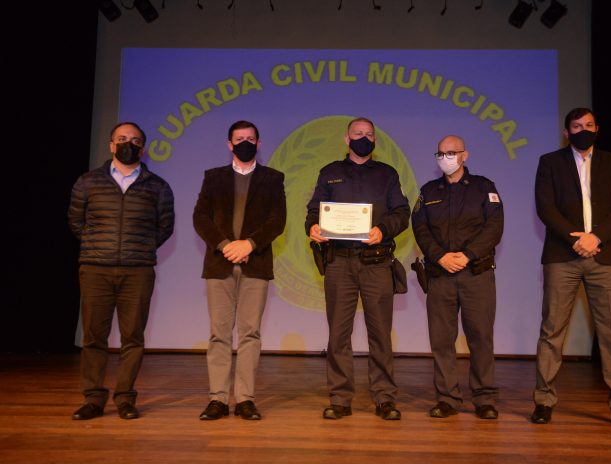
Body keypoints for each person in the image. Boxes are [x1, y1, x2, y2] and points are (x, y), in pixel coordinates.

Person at [531, 107, 611, 428]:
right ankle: (543, 401)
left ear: (597, 128)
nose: (583, 130)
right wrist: (574, 238)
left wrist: (596, 237)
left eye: (589, 125)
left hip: (604, 257)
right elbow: (545, 207)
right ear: (567, 132)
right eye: (577, 126)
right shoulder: (550, 162)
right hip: (562, 256)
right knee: (552, 331)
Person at [67, 122, 175, 420]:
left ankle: (125, 398)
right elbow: (76, 222)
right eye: (122, 139)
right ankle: (93, 398)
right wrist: (97, 245)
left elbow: (165, 226)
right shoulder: (88, 182)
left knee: (133, 337)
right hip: (95, 269)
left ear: (143, 148)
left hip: (138, 271)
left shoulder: (158, 186)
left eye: (136, 140)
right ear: (111, 145)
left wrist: (139, 248)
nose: (129, 144)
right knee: (94, 337)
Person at [305, 117, 410, 420]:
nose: (363, 138)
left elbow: (401, 213)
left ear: (375, 140)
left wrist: (383, 230)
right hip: (338, 262)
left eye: (369, 134)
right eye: (357, 133)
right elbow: (314, 211)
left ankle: (385, 398)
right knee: (338, 334)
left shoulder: (387, 175)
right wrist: (312, 226)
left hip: (376, 262)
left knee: (380, 333)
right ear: (346, 139)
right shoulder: (330, 173)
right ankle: (340, 398)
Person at [193, 120, 286, 421]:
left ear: (258, 144)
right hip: (219, 264)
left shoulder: (273, 178)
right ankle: (218, 399)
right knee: (219, 334)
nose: (244, 142)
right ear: (229, 144)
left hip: (254, 263)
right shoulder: (213, 177)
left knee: (250, 334)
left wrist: (249, 244)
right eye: (238, 138)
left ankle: (245, 398)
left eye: (250, 138)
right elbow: (200, 217)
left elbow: (277, 220)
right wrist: (225, 245)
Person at [411, 135, 504, 420]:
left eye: (451, 153)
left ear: (465, 155)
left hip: (476, 273)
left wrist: (468, 255)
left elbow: (494, 227)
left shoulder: (483, 188)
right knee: (441, 340)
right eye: (440, 153)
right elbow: (420, 227)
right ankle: (448, 398)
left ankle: (484, 398)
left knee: (481, 338)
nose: (445, 158)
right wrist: (440, 256)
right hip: (440, 275)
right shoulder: (428, 191)